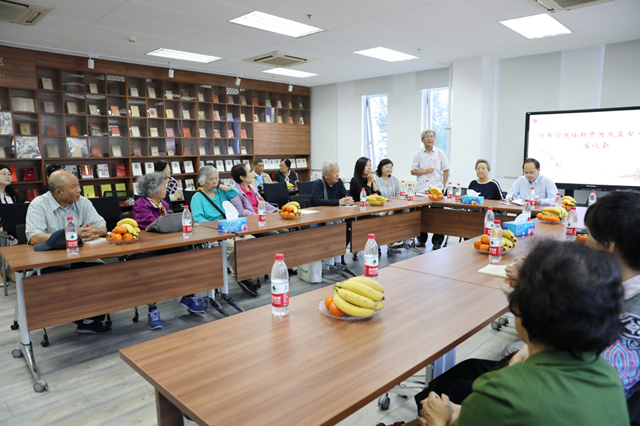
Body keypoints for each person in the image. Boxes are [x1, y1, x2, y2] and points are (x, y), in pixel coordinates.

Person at [423, 190, 640, 421]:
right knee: (463, 371)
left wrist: (447, 418)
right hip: (553, 375)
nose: (583, 240)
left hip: (549, 396)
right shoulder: (611, 291)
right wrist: (534, 346)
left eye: (589, 234)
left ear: (610, 246)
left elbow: (560, 408)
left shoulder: (628, 323)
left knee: (445, 391)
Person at [25, 170, 111, 334]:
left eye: (78, 185)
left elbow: (101, 224)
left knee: (100, 271)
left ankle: (89, 319)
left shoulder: (83, 202)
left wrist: (98, 231)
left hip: (82, 256)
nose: (79, 190)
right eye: (74, 186)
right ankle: (76, 316)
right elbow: (34, 237)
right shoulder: (38, 205)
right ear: (59, 192)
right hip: (51, 261)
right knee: (61, 279)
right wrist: (70, 235)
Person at [132, 172, 204, 330]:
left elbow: (170, 221)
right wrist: (176, 222)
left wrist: (186, 222)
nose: (166, 188)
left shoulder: (163, 204)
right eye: (163, 185)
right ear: (153, 190)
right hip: (148, 248)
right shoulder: (140, 204)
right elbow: (155, 224)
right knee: (148, 268)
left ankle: (189, 295)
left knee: (187, 255)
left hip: (166, 244)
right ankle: (152, 309)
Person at [190, 165, 258, 297]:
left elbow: (234, 192)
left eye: (216, 178)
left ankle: (247, 274)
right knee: (233, 246)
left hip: (229, 229)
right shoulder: (197, 198)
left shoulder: (220, 192)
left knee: (250, 241)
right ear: (203, 180)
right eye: (211, 179)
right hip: (213, 233)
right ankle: (244, 277)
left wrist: (221, 186)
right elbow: (198, 219)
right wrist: (218, 225)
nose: (215, 182)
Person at [411, 129, 450, 249]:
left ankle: (437, 242)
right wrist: (425, 171)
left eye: (432, 136)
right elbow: (413, 171)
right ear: (422, 140)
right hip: (421, 190)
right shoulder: (418, 155)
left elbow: (446, 170)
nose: (430, 139)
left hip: (437, 189)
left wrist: (443, 185)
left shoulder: (440, 153)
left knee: (438, 216)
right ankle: (421, 240)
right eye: (427, 137)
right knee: (421, 216)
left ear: (435, 139)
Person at [0, 164, 26, 281]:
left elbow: (21, 204)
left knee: (23, 233)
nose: (8, 176)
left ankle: (10, 269)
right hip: (1, 229)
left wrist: (27, 203)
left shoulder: (12, 194)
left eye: (9, 174)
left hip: (12, 227)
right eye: (4, 174)